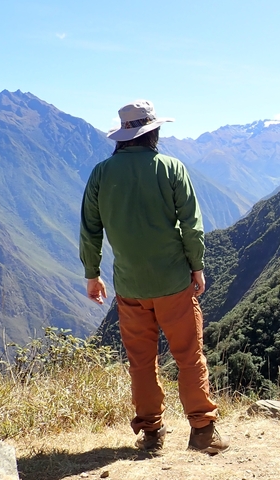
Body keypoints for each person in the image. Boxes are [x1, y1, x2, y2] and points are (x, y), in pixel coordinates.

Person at [79, 99, 229, 454]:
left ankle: (151, 433)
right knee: (189, 356)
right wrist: (197, 266)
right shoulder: (170, 168)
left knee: (141, 362)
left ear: (122, 136)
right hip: (173, 282)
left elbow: (90, 229)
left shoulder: (101, 173)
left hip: (130, 287)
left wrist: (92, 274)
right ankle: (203, 432)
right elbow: (192, 225)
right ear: (153, 132)